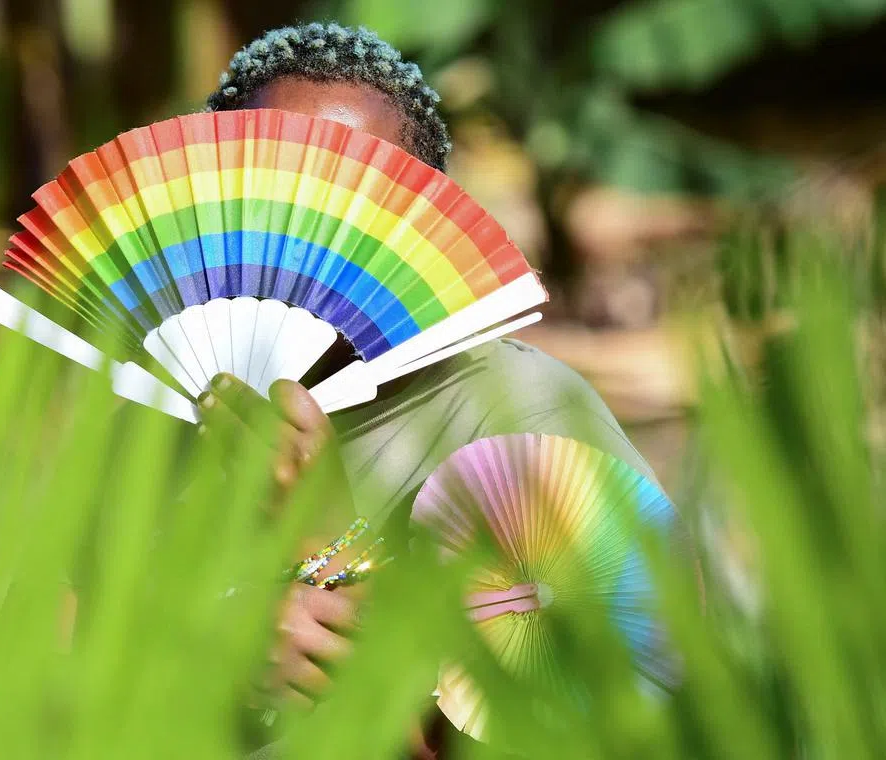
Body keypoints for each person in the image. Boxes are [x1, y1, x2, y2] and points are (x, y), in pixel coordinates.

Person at [196, 22, 659, 759]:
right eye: (274, 188)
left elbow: (598, 730)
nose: (312, 234)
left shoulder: (526, 415)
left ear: (425, 221)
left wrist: (326, 538)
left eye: (358, 201)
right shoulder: (155, 417)